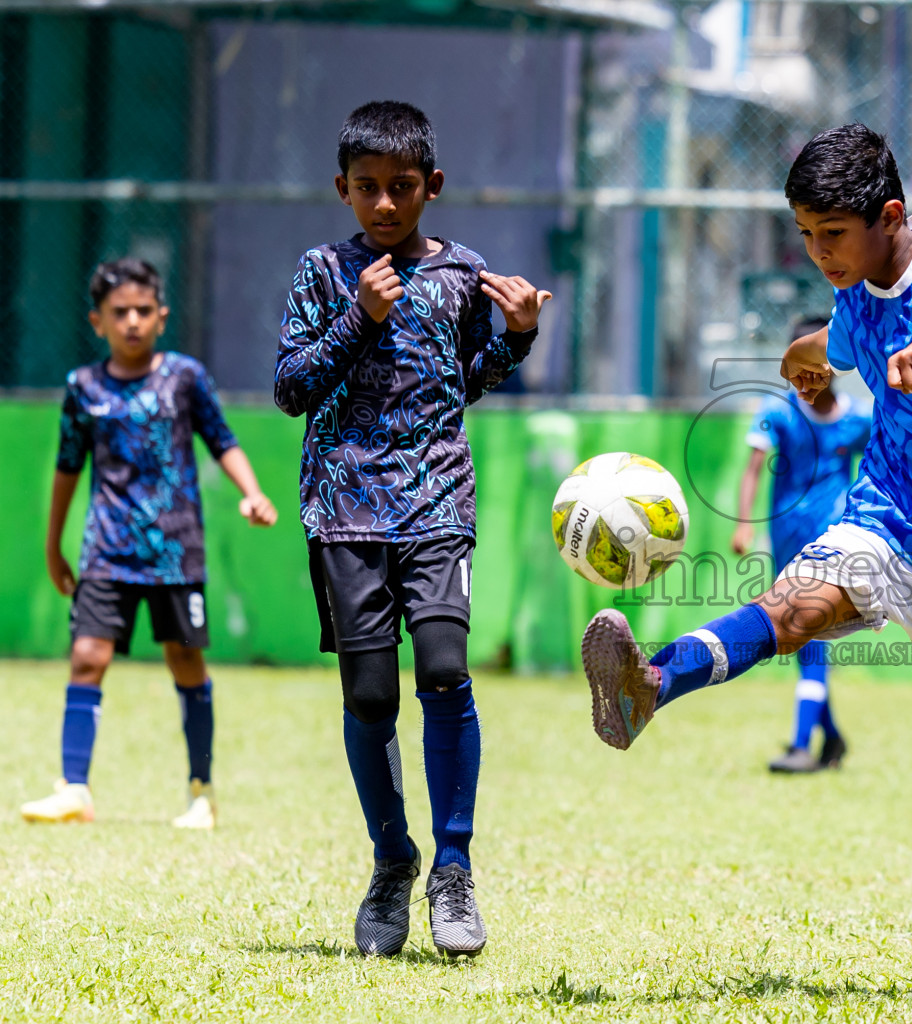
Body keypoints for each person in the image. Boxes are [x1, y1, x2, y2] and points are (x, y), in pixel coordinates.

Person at [581, 123, 912, 988]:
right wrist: (800, 365)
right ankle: (650, 684)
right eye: (804, 235)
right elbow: (824, 351)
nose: (817, 253)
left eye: (831, 234)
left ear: (890, 215)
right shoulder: (854, 301)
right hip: (886, 518)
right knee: (796, 606)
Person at [273, 101, 549, 959]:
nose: (385, 205)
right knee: (368, 697)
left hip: (437, 506)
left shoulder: (463, 272)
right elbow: (290, 388)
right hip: (345, 510)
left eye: (401, 188)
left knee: (443, 670)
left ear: (432, 186)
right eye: (367, 189)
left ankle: (455, 870)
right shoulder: (323, 272)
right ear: (342, 190)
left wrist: (518, 338)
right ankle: (392, 863)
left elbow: (458, 383)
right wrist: (360, 316)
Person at [22, 258, 278, 829]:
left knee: (185, 659)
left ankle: (201, 792)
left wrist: (253, 492)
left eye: (143, 311)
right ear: (97, 322)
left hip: (175, 551)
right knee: (88, 657)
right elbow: (67, 466)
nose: (132, 322)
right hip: (105, 550)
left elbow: (222, 439)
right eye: (120, 313)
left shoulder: (184, 377)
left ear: (162, 317)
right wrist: (53, 544)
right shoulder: (82, 388)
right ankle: (74, 789)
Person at [731, 316, 872, 774]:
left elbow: (881, 467)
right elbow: (755, 466)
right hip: (785, 540)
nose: (813, 372)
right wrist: (744, 523)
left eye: (823, 360)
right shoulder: (779, 412)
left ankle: (799, 745)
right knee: (800, 638)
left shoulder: (858, 420)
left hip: (833, 544)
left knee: (808, 637)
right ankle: (830, 738)